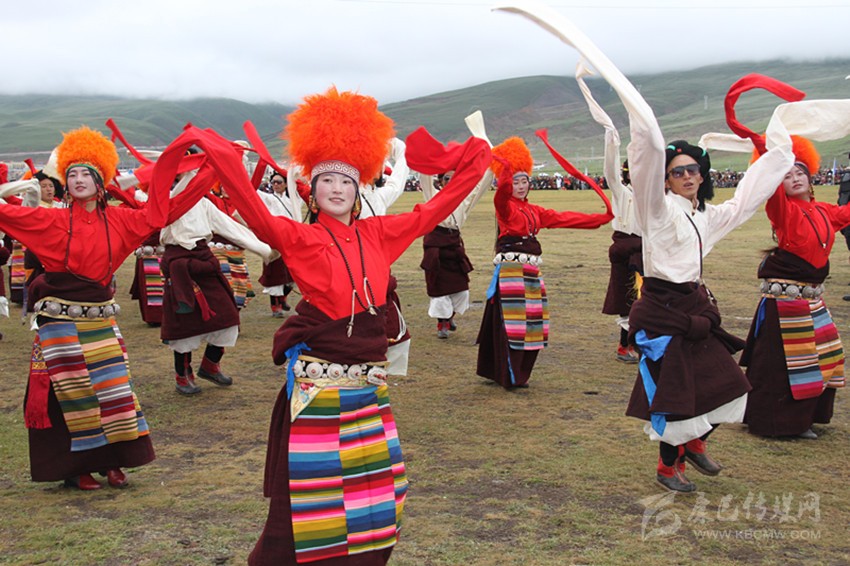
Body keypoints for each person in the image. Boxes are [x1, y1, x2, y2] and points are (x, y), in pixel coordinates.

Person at [493, 5, 801, 492]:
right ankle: (667, 466)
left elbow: (747, 198)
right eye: (677, 171)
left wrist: (780, 154)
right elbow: (647, 155)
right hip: (661, 310)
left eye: (693, 170)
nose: (687, 176)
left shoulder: (707, 216)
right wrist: (642, 123)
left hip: (695, 305)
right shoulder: (656, 211)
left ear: (702, 175)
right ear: (666, 179)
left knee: (729, 385)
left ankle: (694, 443)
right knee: (676, 395)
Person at [184, 87, 490, 565]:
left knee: (376, 492)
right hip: (319, 390)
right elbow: (254, 212)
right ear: (312, 189)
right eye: (326, 180)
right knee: (313, 493)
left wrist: (475, 162)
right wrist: (223, 160)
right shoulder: (299, 237)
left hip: (367, 387)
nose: (336, 189)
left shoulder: (380, 233)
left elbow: (433, 209)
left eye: (345, 181)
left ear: (358, 189)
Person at [0, 126, 211, 490]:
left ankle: (113, 461)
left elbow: (164, 210)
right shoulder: (50, 220)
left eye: (87, 173)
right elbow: (6, 215)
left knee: (113, 389)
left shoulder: (121, 220)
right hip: (59, 321)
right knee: (70, 391)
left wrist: (212, 163)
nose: (78, 179)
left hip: (100, 319)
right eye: (72, 175)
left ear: (101, 183)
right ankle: (77, 467)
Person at [475, 134, 613, 389]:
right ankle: (509, 374)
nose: (520, 186)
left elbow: (564, 218)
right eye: (515, 182)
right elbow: (501, 195)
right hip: (512, 274)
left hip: (531, 274)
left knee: (532, 324)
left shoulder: (534, 211)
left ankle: (520, 372)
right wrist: (505, 172)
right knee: (514, 324)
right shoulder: (504, 208)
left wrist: (599, 219)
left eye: (524, 181)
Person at [160, 179, 274, 396]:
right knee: (184, 326)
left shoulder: (204, 203)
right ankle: (182, 375)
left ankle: (210, 365)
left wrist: (264, 249)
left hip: (204, 259)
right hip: (179, 264)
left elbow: (230, 227)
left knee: (227, 316)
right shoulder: (169, 200)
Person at [575, 61, 642, 363]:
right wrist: (611, 137)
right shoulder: (622, 192)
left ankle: (641, 343)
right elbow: (610, 172)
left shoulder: (656, 196)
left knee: (647, 297)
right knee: (628, 298)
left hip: (647, 249)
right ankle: (624, 345)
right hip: (626, 248)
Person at [420, 110, 493, 339]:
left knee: (460, 288)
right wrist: (428, 153)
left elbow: (482, 183)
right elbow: (424, 175)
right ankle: (441, 324)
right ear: (440, 181)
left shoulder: (464, 199)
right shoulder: (432, 196)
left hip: (454, 245)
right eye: (446, 178)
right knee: (439, 289)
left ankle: (449, 317)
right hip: (436, 246)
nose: (450, 182)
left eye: (453, 178)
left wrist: (487, 151)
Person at [257, 171, 298, 317]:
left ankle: (283, 297)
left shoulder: (293, 200)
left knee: (293, 274)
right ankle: (276, 307)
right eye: (273, 182)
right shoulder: (268, 198)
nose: (276, 185)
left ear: (286, 184)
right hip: (273, 240)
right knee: (274, 275)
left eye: (279, 182)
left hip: (290, 240)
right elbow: (252, 189)